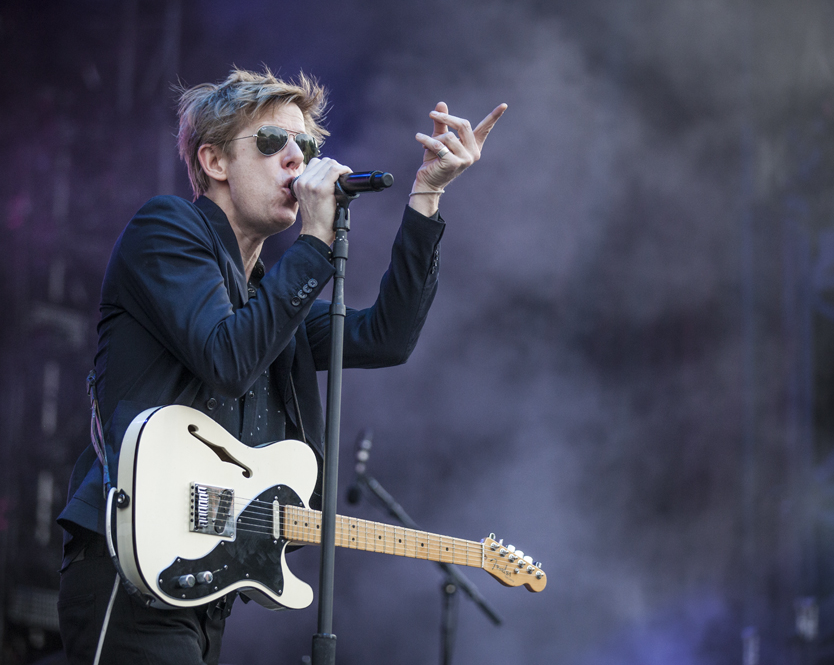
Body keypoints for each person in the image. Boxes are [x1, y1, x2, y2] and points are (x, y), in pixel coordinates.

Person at [55, 66, 506, 665]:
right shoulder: (163, 230)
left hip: (200, 582)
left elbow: (385, 338)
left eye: (308, 146)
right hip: (129, 568)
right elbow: (228, 356)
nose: (297, 159)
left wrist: (426, 197)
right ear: (215, 162)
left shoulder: (272, 302)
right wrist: (317, 240)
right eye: (272, 142)